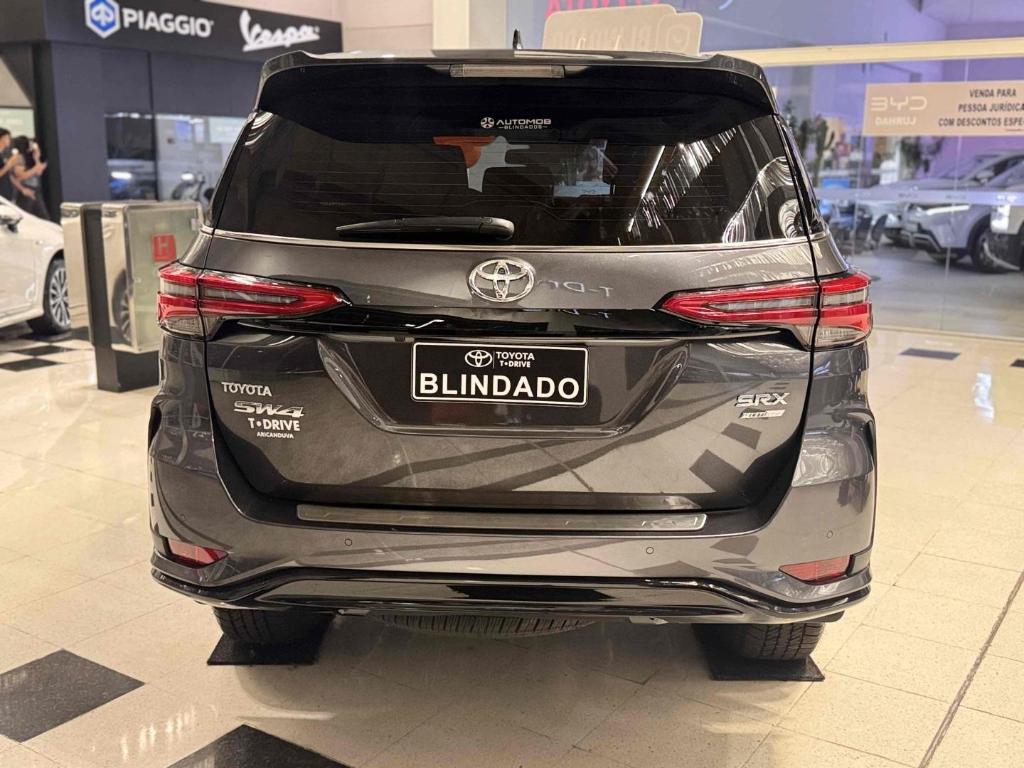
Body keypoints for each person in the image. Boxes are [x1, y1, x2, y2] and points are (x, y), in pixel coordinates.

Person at [10, 135, 49, 220]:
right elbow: (21, 175)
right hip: (26, 189)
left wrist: (36, 158)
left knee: (43, 217)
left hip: (36, 189)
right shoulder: (19, 157)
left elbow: (39, 172)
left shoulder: (30, 156)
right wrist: (36, 168)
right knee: (26, 217)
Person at [0, 128, 18, 202]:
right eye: (7, 138)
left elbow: (8, 174)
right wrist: (8, 164)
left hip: (7, 193)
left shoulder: (4, 154)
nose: (9, 140)